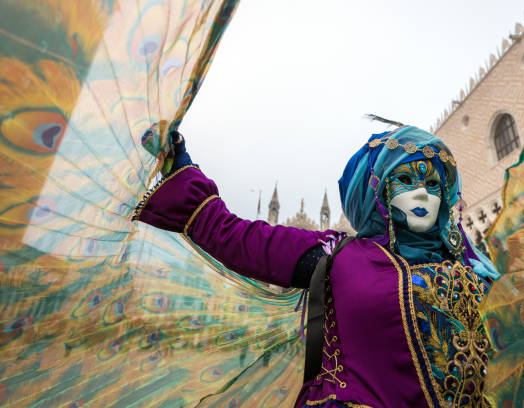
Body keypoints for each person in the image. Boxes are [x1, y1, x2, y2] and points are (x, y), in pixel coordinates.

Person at [133, 124, 499, 407]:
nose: (422, 193)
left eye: (433, 183)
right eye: (405, 179)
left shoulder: (475, 271)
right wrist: (181, 165)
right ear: (377, 189)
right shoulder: (338, 255)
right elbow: (236, 238)